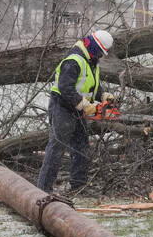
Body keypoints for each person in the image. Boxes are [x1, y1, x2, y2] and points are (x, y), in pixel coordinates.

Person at [37, 30, 114, 193]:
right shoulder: (74, 60)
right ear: (94, 47)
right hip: (62, 106)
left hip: (77, 109)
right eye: (100, 52)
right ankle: (43, 189)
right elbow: (65, 87)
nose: (100, 56)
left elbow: (90, 86)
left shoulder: (91, 62)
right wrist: (82, 104)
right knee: (57, 147)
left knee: (81, 146)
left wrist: (103, 95)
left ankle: (78, 185)